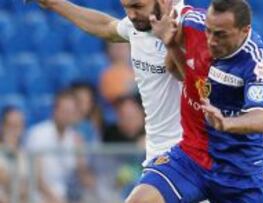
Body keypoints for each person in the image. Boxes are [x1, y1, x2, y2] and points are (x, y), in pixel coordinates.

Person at [126, 0, 263, 202]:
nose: (211, 40)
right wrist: (169, 42)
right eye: (209, 31)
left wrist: (226, 123)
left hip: (240, 172)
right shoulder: (192, 24)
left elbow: (260, 118)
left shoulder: (255, 62)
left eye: (220, 34)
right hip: (192, 156)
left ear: (244, 30)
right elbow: (180, 73)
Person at [32, 0, 185, 165]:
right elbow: (105, 26)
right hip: (158, 153)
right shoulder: (138, 26)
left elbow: (196, 80)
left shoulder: (189, 25)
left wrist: (171, 44)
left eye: (137, 6)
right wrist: (54, 3)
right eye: (126, 8)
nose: (131, 15)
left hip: (187, 150)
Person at [25, 90, 95, 203]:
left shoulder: (75, 138)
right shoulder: (38, 134)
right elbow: (36, 179)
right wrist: (55, 199)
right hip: (39, 196)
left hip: (66, 195)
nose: (67, 115)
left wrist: (80, 156)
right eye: (64, 111)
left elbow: (83, 177)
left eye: (70, 112)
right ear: (55, 110)